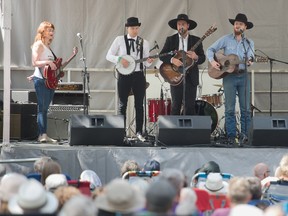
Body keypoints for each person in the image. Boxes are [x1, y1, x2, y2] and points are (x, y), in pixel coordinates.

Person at [206, 13, 255, 146]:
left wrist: (250, 61)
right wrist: (212, 62)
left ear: (245, 27)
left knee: (245, 109)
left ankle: (246, 137)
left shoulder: (249, 43)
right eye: (236, 23)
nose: (237, 26)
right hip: (229, 77)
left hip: (243, 76)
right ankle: (231, 137)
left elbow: (251, 57)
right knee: (229, 109)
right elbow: (210, 49)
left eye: (240, 24)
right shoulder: (226, 39)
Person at [106, 17, 153, 142]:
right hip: (124, 75)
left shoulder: (144, 42)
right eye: (133, 28)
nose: (135, 31)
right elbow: (109, 55)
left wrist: (149, 61)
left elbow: (146, 63)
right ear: (127, 28)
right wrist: (120, 59)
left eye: (137, 28)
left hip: (138, 75)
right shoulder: (119, 40)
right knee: (122, 104)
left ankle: (139, 132)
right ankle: (121, 133)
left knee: (139, 105)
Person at [159, 14, 206, 115]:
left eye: (183, 24)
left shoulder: (196, 40)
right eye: (179, 24)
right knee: (176, 106)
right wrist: (172, 60)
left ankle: (188, 131)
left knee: (190, 107)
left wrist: (196, 57)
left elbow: (203, 58)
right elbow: (161, 56)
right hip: (175, 76)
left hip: (191, 78)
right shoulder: (171, 39)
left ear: (188, 26)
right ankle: (174, 130)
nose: (181, 26)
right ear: (176, 26)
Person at [30, 21, 58, 144]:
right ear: (43, 31)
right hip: (41, 81)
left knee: (45, 109)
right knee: (42, 108)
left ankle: (44, 134)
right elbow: (35, 62)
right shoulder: (38, 44)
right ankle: (42, 135)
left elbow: (47, 67)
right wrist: (48, 62)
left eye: (52, 30)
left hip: (49, 81)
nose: (52, 33)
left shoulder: (48, 48)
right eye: (49, 30)